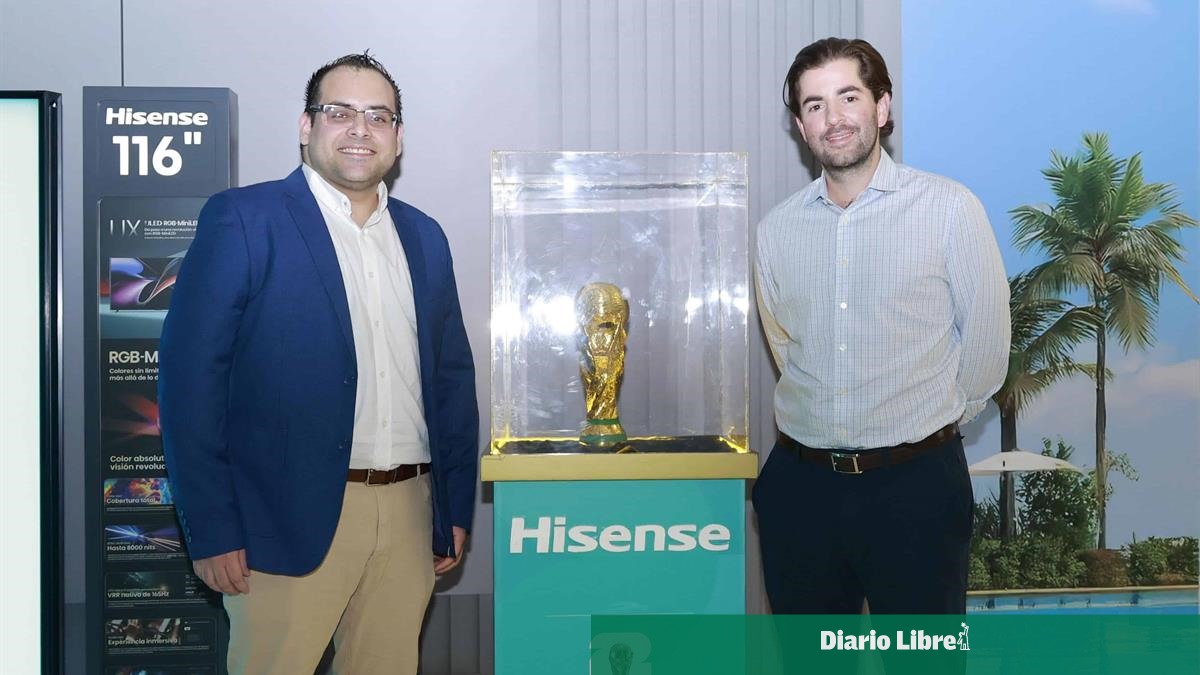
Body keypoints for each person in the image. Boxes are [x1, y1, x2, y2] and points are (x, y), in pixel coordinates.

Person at [158, 52, 478, 673]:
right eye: (340, 112)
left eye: (378, 116)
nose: (360, 129)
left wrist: (453, 508)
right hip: (281, 521)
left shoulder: (425, 237)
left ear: (398, 137)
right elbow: (190, 384)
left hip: (409, 514)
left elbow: (450, 381)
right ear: (307, 126)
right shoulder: (244, 220)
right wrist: (213, 527)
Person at [752, 38, 1009, 615]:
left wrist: (922, 430)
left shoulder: (949, 209)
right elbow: (785, 347)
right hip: (800, 491)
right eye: (815, 105)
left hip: (916, 490)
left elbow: (987, 348)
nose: (834, 118)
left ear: (882, 106)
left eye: (849, 97)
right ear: (801, 126)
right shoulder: (776, 231)